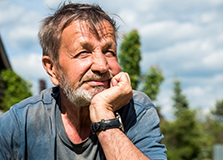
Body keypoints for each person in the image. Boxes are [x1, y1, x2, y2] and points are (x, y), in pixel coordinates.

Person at [0, 3, 167, 160]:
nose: (102, 66)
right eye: (83, 53)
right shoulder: (20, 123)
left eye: (109, 51)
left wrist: (104, 115)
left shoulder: (137, 110)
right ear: (52, 69)